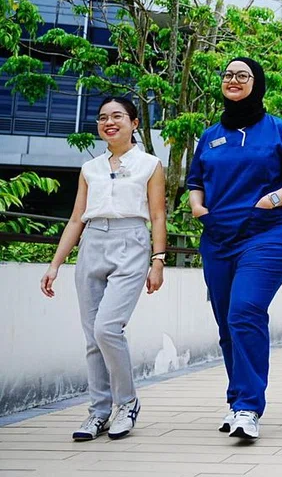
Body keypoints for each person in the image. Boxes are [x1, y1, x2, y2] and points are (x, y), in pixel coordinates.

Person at [186, 57, 282, 440]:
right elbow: (195, 182)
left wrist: (269, 201)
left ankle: (248, 407)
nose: (233, 80)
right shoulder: (210, 135)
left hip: (266, 233)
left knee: (245, 311)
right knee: (227, 324)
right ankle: (237, 399)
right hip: (218, 237)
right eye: (228, 75)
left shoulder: (278, 130)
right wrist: (199, 209)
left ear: (257, 83)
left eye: (243, 75)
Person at [41, 96, 166, 442]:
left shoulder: (150, 165)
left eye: (117, 116)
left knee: (107, 328)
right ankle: (98, 411)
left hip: (131, 242)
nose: (109, 122)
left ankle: (127, 404)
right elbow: (76, 219)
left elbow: (158, 215)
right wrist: (55, 264)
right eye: (102, 118)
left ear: (134, 123)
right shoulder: (90, 168)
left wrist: (158, 260)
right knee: (92, 337)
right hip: (92, 243)